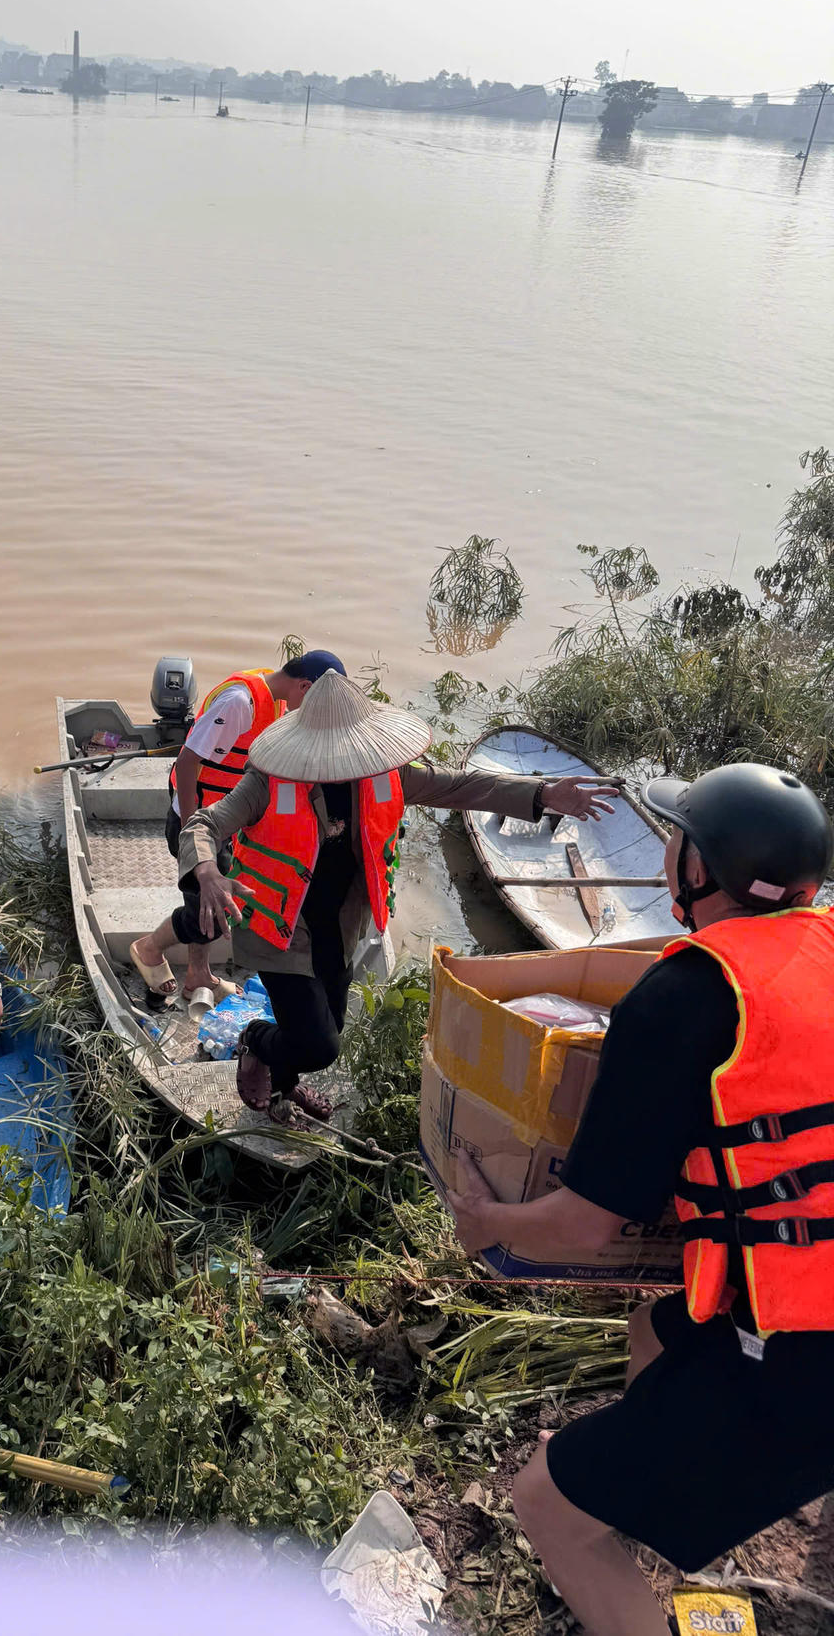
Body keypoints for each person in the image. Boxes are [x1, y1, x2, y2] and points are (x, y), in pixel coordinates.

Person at [447, 762, 834, 1636]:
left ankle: (598, 1557)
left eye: (678, 836)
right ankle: (648, 1513)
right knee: (655, 1331)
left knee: (542, 1498)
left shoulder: (682, 1000)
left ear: (696, 870)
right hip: (811, 1314)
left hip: (804, 1361)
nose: (667, 849)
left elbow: (585, 1224)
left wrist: (488, 1224)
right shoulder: (822, 947)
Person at [180, 669, 617, 1120]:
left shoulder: (386, 776)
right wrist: (208, 869)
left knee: (324, 1026)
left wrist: (541, 793)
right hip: (280, 931)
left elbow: (460, 786)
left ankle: (282, 1088)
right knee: (319, 1045)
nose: (337, 760)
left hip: (341, 924)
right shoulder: (268, 782)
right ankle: (254, 1039)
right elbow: (205, 824)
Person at [129, 652, 346, 1004]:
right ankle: (149, 948)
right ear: (304, 686)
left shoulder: (275, 699)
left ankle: (197, 975)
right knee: (211, 913)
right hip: (199, 821)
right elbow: (186, 764)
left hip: (225, 819)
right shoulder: (239, 703)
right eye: (316, 701)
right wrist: (192, 839)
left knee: (202, 905)